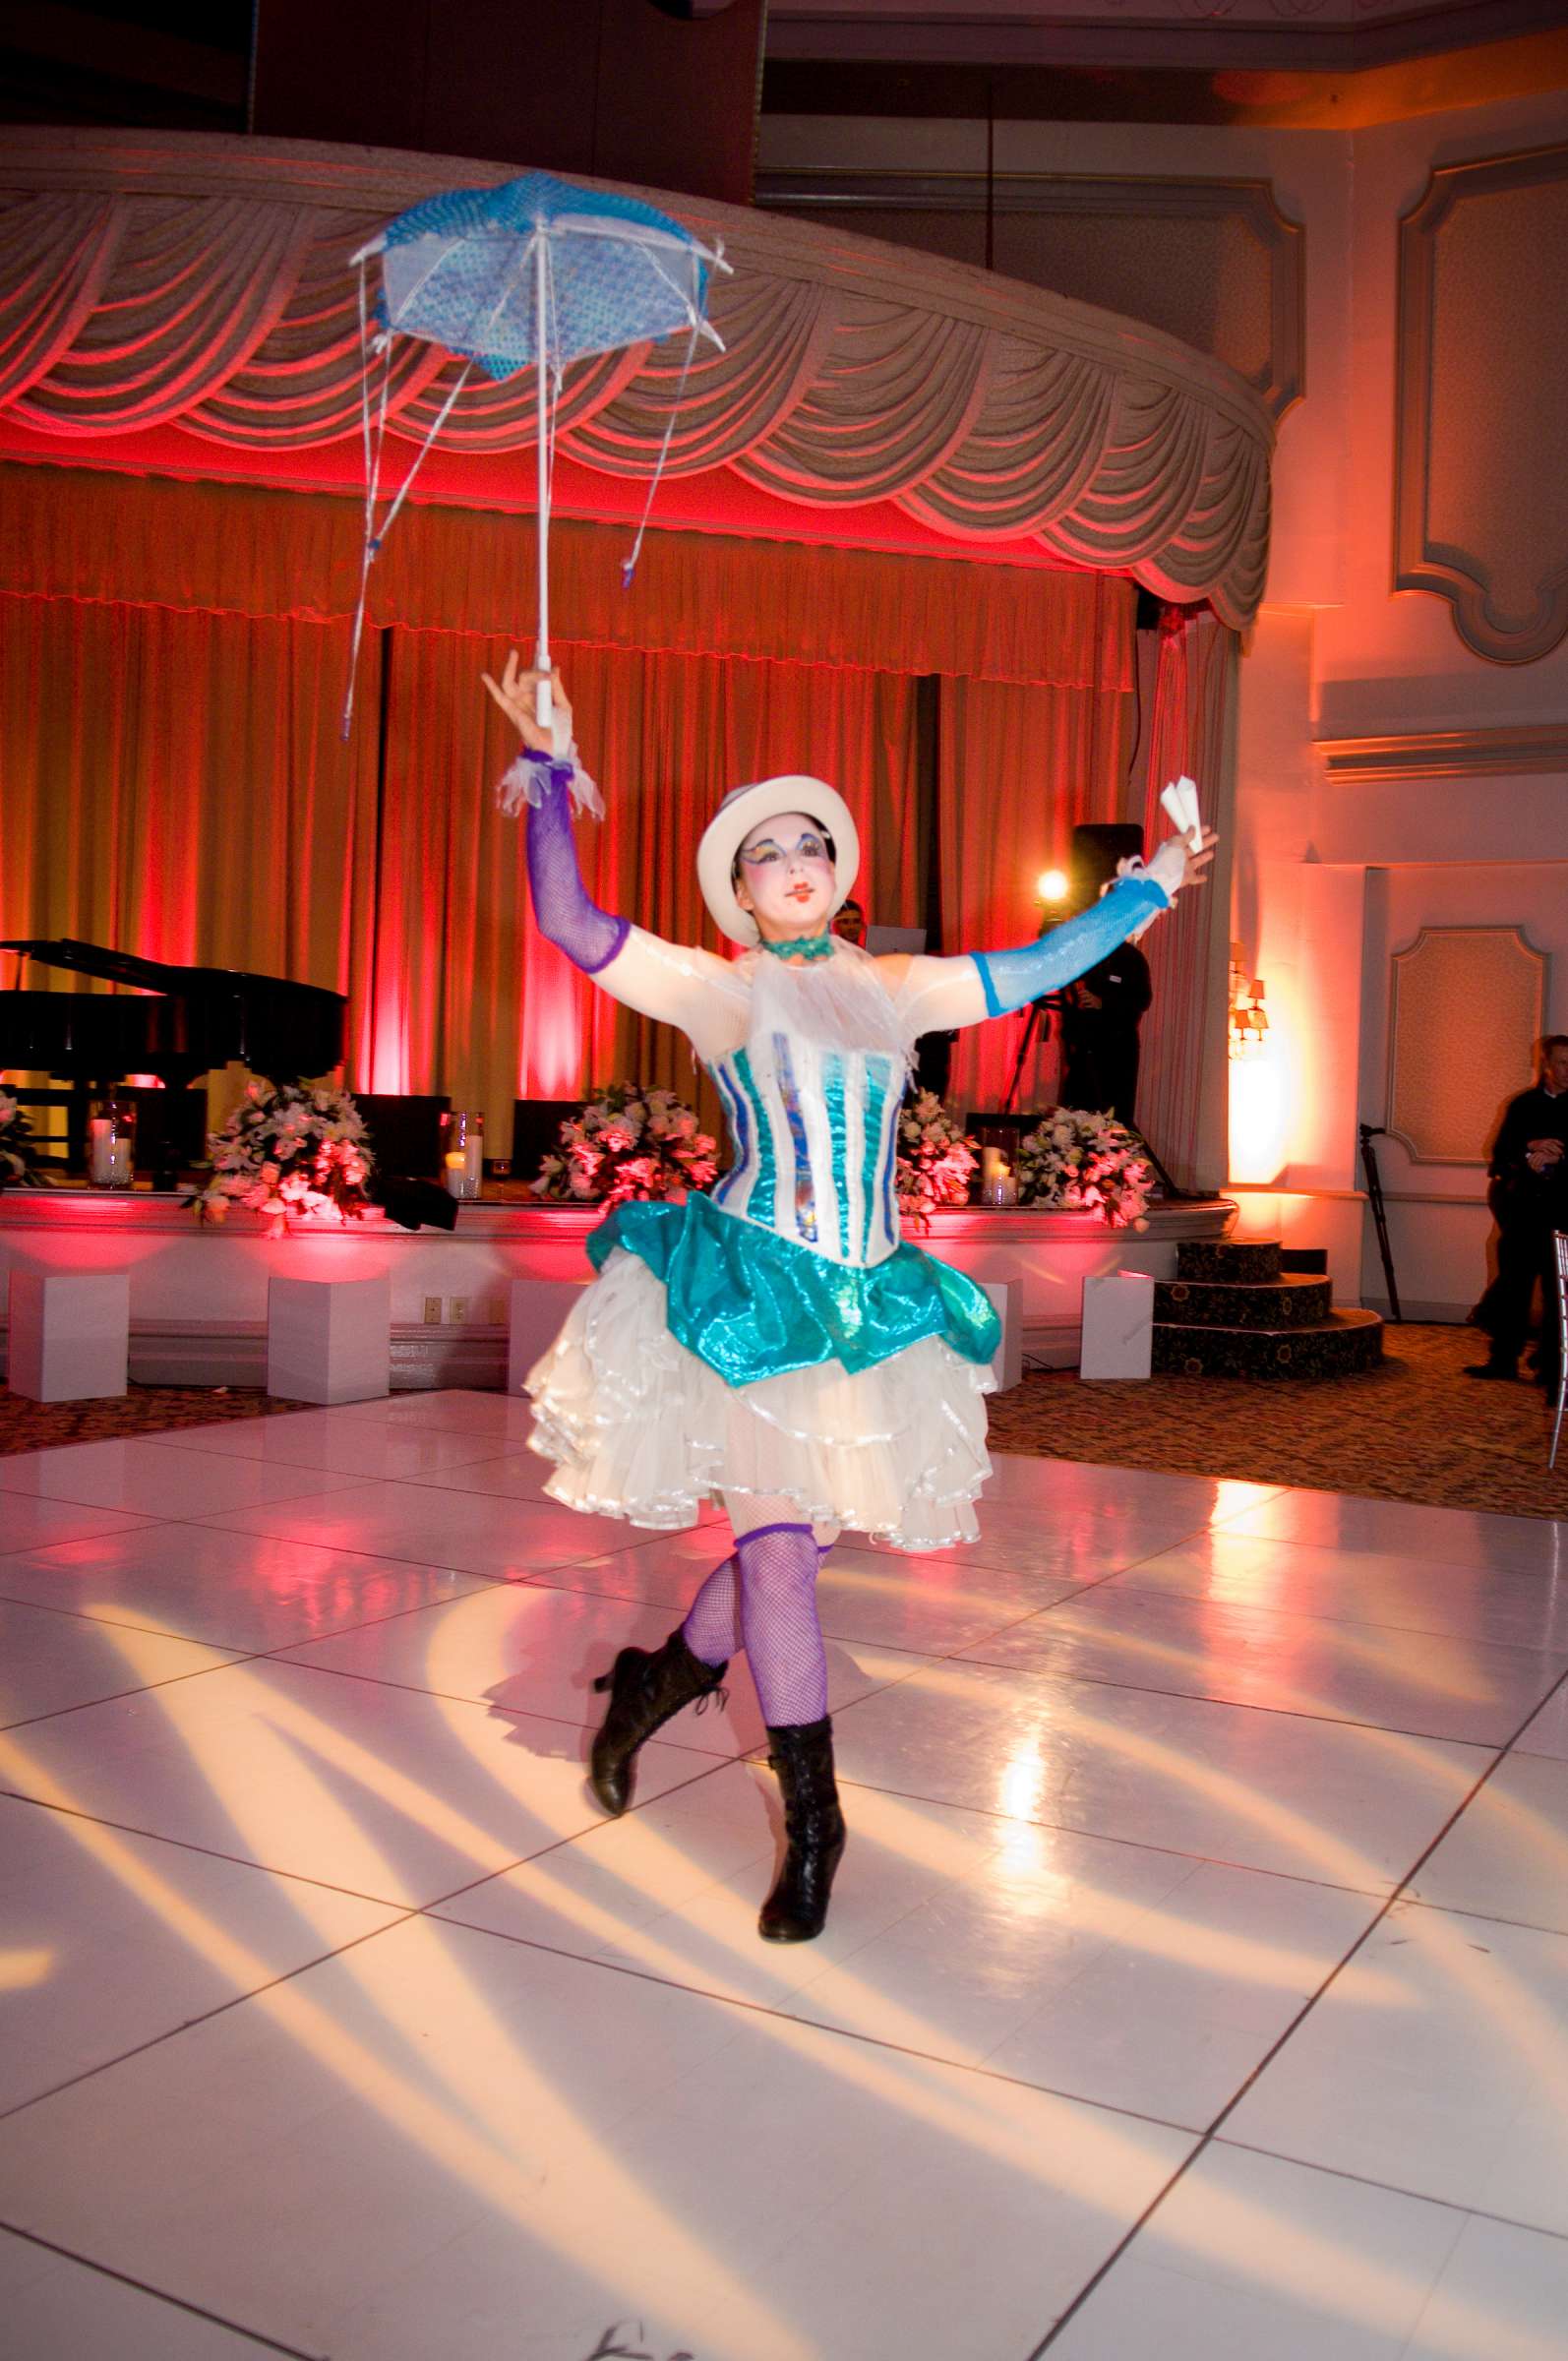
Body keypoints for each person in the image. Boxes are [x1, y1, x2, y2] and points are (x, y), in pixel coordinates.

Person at [484, 653, 1214, 1944]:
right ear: (740, 888)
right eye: (768, 850)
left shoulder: (896, 987)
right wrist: (548, 775)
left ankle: (654, 1686)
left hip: (870, 1307)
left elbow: (1049, 959)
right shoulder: (717, 989)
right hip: (754, 1296)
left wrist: (1150, 883)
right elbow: (572, 926)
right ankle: (815, 1821)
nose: (796, 857)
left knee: (799, 1546)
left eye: (813, 840)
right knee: (777, 1557)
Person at [1467, 1034, 1568, 1392]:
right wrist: (1530, 1149)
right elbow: (1499, 1155)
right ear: (1546, 1065)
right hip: (1522, 1213)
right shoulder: (1523, 1105)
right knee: (1513, 1288)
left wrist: (1561, 1157)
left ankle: (1555, 1369)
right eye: (1562, 1063)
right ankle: (1502, 1360)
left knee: (1561, 1297)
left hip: (1563, 1216)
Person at [1058, 937, 1152, 1123]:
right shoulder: (1087, 954)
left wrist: (1104, 1003)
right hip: (1085, 1047)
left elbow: (1142, 1000)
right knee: (1073, 1116)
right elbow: (1071, 1000)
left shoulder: (1131, 958)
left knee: (1111, 1116)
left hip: (1117, 1052)